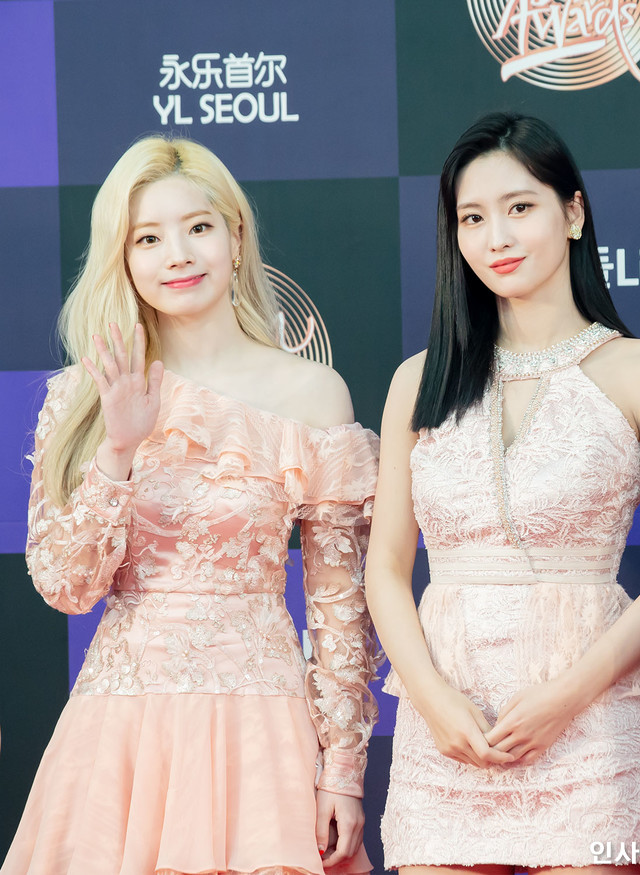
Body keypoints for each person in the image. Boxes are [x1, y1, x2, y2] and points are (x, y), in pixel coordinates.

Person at [2, 136, 380, 875]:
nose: (177, 255)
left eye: (198, 227)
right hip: (121, 734)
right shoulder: (83, 394)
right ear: (122, 257)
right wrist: (117, 449)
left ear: (235, 237)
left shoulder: (312, 394)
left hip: (260, 723)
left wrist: (342, 769)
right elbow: (65, 586)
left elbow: (339, 606)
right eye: (148, 238)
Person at [365, 112, 640, 873]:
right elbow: (385, 569)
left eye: (520, 207)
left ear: (573, 212)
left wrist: (566, 697)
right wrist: (430, 698)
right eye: (473, 218)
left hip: (589, 719)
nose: (498, 237)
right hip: (446, 727)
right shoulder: (418, 382)